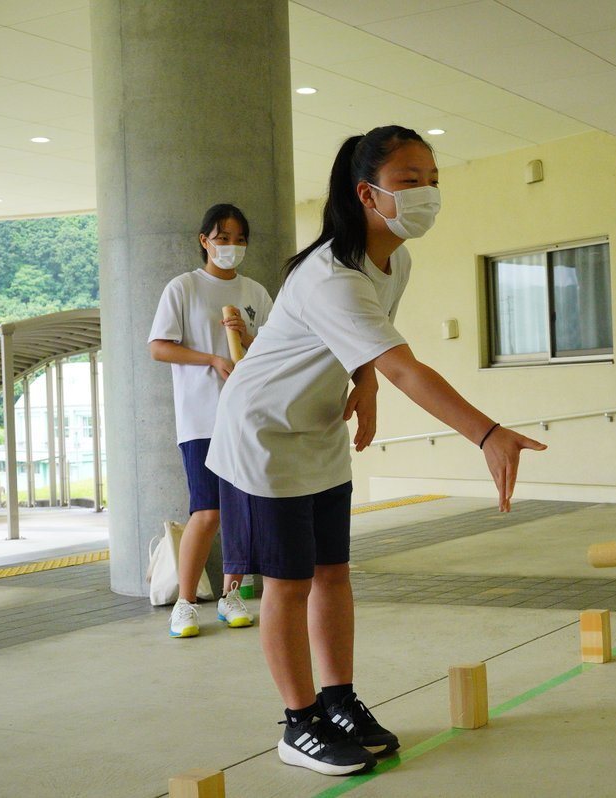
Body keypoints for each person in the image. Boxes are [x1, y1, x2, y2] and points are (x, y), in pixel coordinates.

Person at [205, 125, 546, 777]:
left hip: (319, 427)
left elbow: (372, 343)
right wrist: (486, 432)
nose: (428, 193)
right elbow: (406, 367)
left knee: (333, 572)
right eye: (410, 181)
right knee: (288, 583)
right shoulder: (329, 275)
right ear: (368, 193)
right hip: (262, 433)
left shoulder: (395, 262)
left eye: (433, 180)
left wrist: (363, 383)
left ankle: (338, 702)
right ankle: (299, 723)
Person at [148, 203, 274, 638]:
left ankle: (230, 595)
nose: (231, 247)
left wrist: (247, 336)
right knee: (207, 511)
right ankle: (184, 603)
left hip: (247, 418)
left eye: (240, 240)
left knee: (242, 512)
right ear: (205, 241)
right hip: (201, 419)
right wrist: (212, 359)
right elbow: (159, 347)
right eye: (223, 239)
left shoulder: (255, 292)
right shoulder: (183, 287)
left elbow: (275, 350)